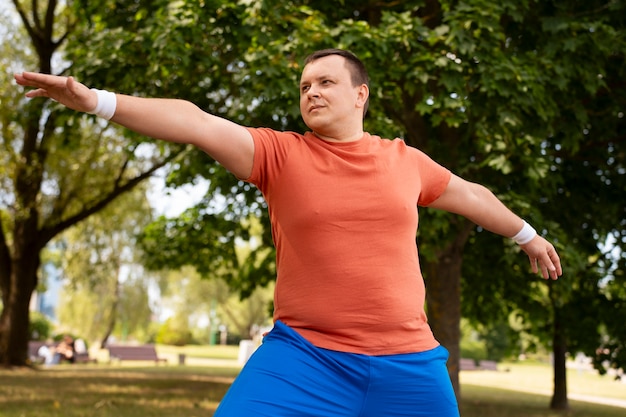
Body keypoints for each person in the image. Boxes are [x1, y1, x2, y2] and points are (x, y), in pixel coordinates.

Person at [15, 48, 562, 416]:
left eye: (326, 82)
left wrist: (527, 235)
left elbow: (470, 195)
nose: (312, 92)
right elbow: (196, 120)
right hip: (304, 360)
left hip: (410, 365)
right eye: (305, 85)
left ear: (360, 95)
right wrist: (97, 102)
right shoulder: (280, 155)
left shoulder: (405, 160)